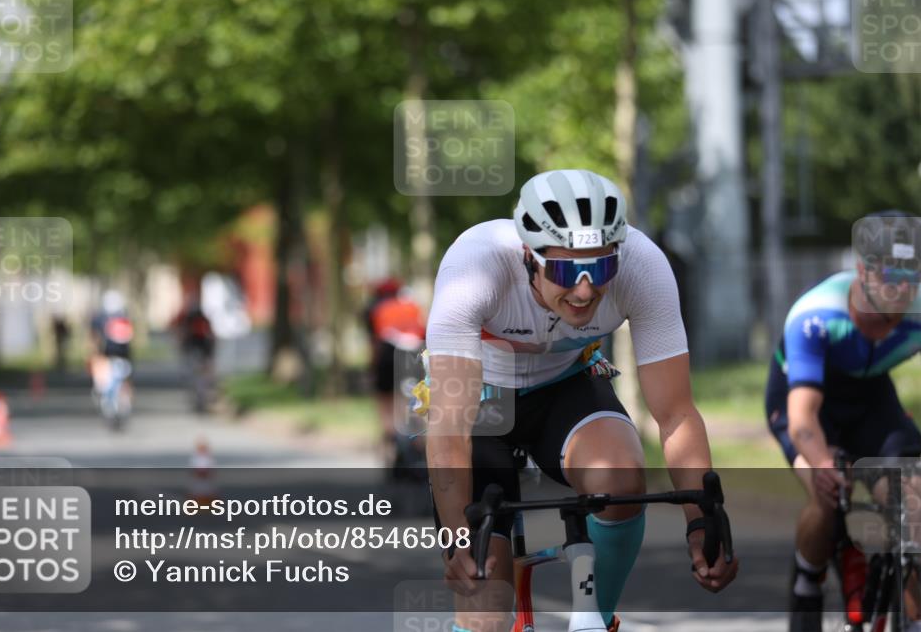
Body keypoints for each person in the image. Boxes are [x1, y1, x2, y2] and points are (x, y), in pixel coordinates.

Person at [424, 169, 738, 632]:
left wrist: (701, 520)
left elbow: (675, 413)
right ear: (528, 255)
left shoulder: (643, 266)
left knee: (620, 479)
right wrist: (458, 539)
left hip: (565, 386)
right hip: (481, 403)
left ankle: (596, 618)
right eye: (566, 270)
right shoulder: (475, 266)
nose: (586, 289)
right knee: (485, 613)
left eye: (601, 267)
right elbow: (450, 427)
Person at [765, 211, 921, 632]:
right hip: (804, 400)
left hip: (871, 397)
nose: (902, 288)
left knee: (911, 500)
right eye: (890, 274)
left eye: (912, 275)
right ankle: (808, 579)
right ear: (863, 271)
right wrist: (822, 464)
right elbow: (802, 419)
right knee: (827, 495)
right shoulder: (816, 315)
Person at [364, 278, 426, 467]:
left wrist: (372, 370)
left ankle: (391, 440)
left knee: (385, 402)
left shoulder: (375, 309)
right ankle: (418, 445)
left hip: (386, 352)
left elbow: (374, 342)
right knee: (415, 399)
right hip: (413, 353)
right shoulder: (412, 306)